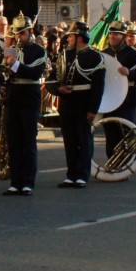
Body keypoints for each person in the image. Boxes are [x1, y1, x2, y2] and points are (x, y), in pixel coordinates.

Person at [49, 20, 106, 184]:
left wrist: (93, 109)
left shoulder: (95, 57)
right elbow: (52, 79)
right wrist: (58, 90)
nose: (68, 40)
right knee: (70, 140)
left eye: (71, 36)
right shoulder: (65, 55)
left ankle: (82, 174)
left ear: (80, 37)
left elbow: (98, 87)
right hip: (67, 103)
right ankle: (71, 174)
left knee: (84, 139)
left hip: (84, 102)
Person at [2, 13, 47, 196]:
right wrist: (5, 67)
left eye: (22, 34)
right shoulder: (11, 49)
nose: (19, 37)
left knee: (28, 142)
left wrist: (15, 65)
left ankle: (27, 181)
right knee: (14, 142)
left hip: (29, 98)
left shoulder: (38, 51)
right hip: (13, 98)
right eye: (17, 34)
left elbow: (34, 72)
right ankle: (15, 181)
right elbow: (5, 73)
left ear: (30, 32)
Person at [102, 21, 136, 162]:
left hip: (127, 99)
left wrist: (130, 72)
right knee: (110, 134)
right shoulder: (104, 53)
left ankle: (126, 163)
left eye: (116, 34)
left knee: (127, 133)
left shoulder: (132, 54)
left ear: (123, 37)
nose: (113, 37)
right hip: (109, 99)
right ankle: (113, 162)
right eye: (111, 34)